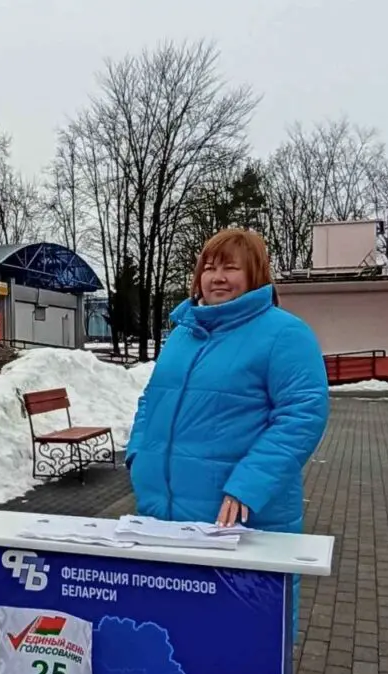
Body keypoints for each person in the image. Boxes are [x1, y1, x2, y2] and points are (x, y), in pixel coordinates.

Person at [125, 228, 329, 643]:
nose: (217, 277)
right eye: (209, 268)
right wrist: (138, 453)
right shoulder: (183, 332)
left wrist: (248, 485)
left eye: (230, 268)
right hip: (164, 519)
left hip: (238, 522)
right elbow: (151, 400)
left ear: (255, 275)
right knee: (174, 647)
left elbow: (302, 414)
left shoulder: (284, 334)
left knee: (244, 655)